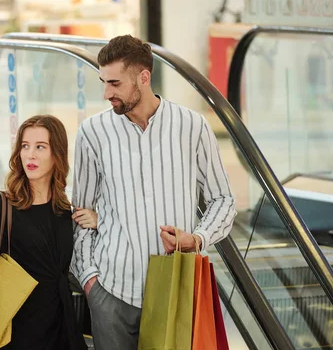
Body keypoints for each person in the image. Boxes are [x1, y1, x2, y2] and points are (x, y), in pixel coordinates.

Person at [70, 35, 237, 349]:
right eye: (103, 82)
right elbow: (80, 211)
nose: (107, 93)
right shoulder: (93, 132)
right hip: (111, 291)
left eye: (115, 83)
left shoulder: (192, 126)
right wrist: (90, 279)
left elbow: (223, 199)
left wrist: (198, 238)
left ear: (143, 78)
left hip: (175, 288)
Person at [0, 114, 92, 350]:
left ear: (56, 154)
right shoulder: (2, 204)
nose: (30, 154)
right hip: (20, 331)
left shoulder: (63, 208)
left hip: (63, 328)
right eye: (25, 146)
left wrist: (97, 220)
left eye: (40, 147)